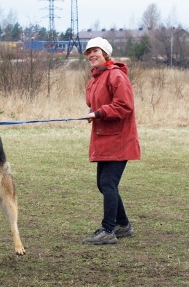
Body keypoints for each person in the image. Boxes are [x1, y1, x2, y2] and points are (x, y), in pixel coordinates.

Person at [81, 37, 141, 245]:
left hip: (119, 139)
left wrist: (99, 113)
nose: (91, 55)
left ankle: (108, 230)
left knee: (108, 183)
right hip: (105, 137)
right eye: (88, 52)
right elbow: (96, 103)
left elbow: (124, 106)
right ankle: (122, 225)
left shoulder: (116, 76)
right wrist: (92, 112)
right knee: (104, 184)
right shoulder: (96, 78)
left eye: (95, 51)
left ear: (105, 53)